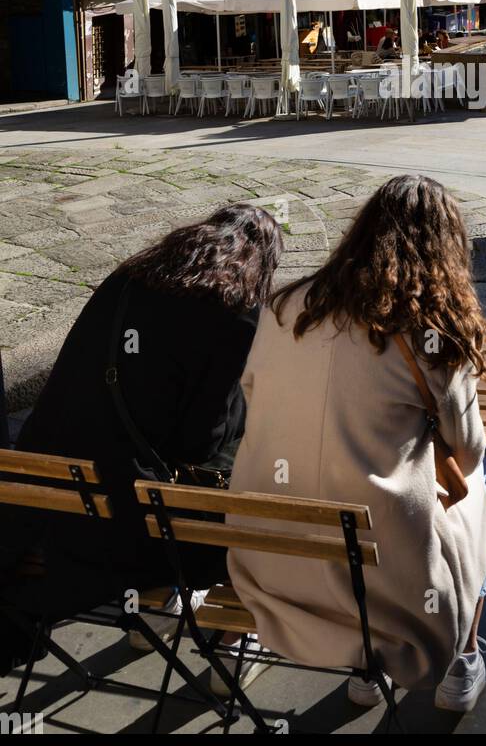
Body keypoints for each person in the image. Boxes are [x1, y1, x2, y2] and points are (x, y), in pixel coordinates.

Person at [228, 175, 486, 711]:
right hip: (388, 580)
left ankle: (365, 673)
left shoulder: (286, 306)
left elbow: (253, 395)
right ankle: (462, 661)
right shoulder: (431, 329)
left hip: (275, 561)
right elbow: (467, 453)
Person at [1, 207, 283, 674]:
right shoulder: (238, 312)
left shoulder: (130, 277)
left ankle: (160, 607)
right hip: (123, 532)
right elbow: (200, 442)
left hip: (42, 509)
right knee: (246, 494)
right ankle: (225, 639)